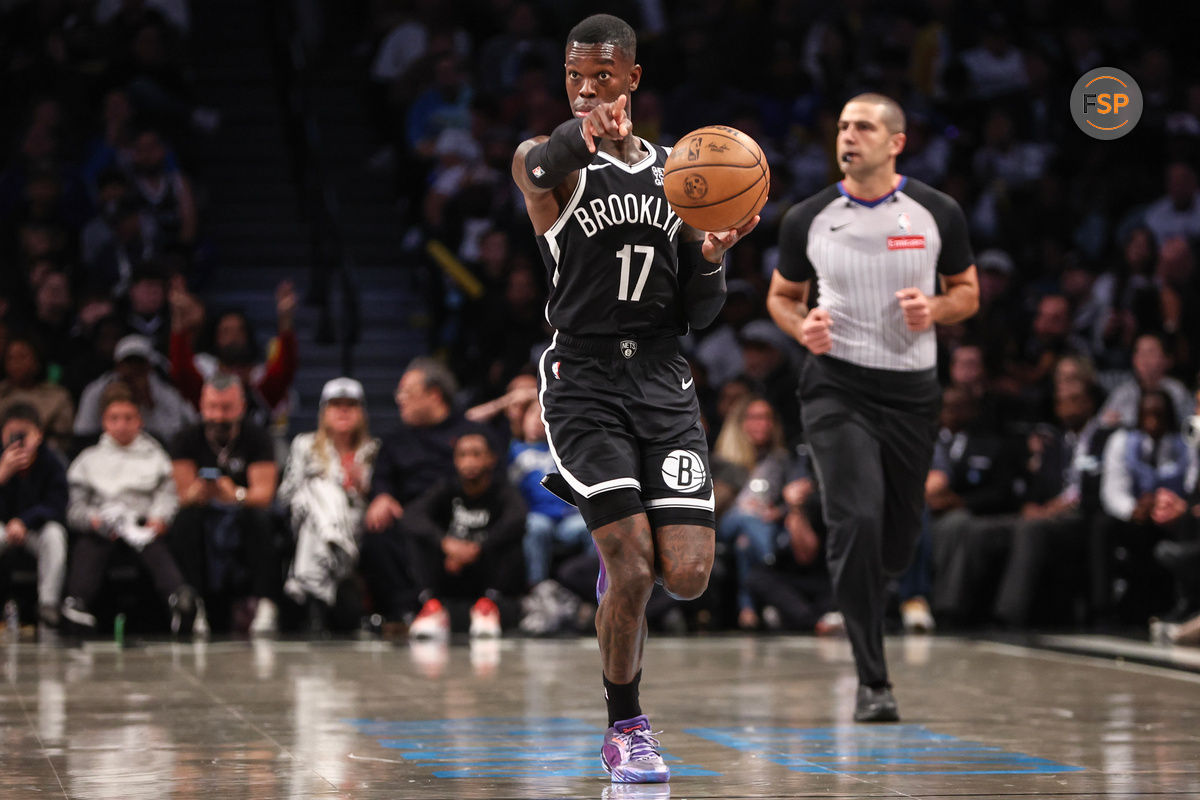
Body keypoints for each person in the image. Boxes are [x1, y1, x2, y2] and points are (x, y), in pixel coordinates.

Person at [510, 13, 756, 783]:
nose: (589, 90)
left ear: (634, 79)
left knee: (685, 574)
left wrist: (710, 256)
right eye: (576, 78)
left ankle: (617, 571)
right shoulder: (552, 162)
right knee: (635, 570)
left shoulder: (682, 174)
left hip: (662, 379)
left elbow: (699, 311)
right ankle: (627, 726)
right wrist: (574, 133)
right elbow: (539, 169)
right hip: (583, 382)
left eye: (604, 77)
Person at [766, 93, 979, 722]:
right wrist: (800, 324)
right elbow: (781, 296)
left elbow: (967, 292)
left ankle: (878, 584)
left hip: (912, 394)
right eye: (842, 127)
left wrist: (935, 310)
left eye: (863, 127)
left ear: (896, 142)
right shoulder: (808, 216)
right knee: (854, 520)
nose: (848, 136)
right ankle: (873, 680)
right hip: (836, 387)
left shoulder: (937, 211)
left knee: (895, 544)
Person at [60, 382, 197, 636]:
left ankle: (179, 599)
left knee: (154, 545)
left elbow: (168, 496)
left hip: (143, 524)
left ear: (139, 420)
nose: (121, 425)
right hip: (103, 526)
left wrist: (158, 519)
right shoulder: (87, 460)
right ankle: (76, 603)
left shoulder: (156, 456)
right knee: (89, 544)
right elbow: (75, 507)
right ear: (104, 422)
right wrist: (93, 520)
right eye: (114, 418)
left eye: (128, 418)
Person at [359, 358, 485, 630]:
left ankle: (490, 606)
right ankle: (403, 611)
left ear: (434, 394)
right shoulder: (394, 441)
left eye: (406, 391)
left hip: (463, 514)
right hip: (411, 518)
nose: (399, 398)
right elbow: (381, 480)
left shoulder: (472, 435)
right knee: (378, 530)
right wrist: (381, 496)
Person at [168, 373, 281, 636]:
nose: (218, 416)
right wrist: (199, 492)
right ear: (201, 406)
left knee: (259, 519)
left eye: (226, 408)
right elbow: (181, 495)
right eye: (212, 407)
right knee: (186, 520)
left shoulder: (258, 437)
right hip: (203, 513)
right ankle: (194, 606)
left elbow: (264, 495)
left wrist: (235, 494)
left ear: (241, 406)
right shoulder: (185, 438)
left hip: (241, 511)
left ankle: (266, 605)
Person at [278, 378, 378, 634]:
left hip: (357, 526)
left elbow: (378, 502)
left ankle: (315, 607)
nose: (343, 411)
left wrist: (363, 487)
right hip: (309, 520)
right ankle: (333, 541)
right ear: (324, 412)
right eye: (336, 405)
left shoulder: (373, 451)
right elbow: (287, 495)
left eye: (350, 405)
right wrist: (322, 493)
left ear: (361, 413)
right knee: (319, 492)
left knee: (324, 513)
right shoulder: (304, 445)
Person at [404, 431, 527, 639]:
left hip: (486, 569)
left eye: (476, 454)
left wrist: (478, 547)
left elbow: (518, 518)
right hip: (449, 569)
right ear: (455, 460)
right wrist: (445, 543)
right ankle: (432, 607)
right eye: (462, 455)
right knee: (417, 536)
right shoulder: (446, 488)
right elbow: (412, 515)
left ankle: (488, 607)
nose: (469, 462)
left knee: (515, 537)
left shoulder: (502, 490)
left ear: (491, 459)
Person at [0, 403, 67, 628]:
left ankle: (48, 604)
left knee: (55, 535)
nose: (19, 441)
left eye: (24, 434)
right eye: (12, 434)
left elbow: (57, 505)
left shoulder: (52, 462)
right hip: (2, 529)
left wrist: (25, 521)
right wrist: (2, 475)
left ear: (39, 435)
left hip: (35, 530)